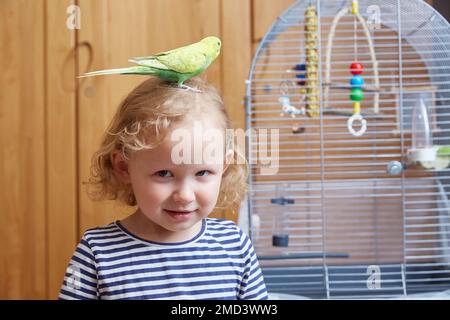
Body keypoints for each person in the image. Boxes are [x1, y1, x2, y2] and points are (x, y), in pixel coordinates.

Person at [59, 77, 268, 300]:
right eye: (164, 174)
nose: (185, 196)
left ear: (223, 167)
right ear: (124, 167)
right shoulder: (96, 253)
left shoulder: (235, 245)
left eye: (202, 173)